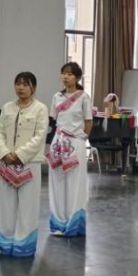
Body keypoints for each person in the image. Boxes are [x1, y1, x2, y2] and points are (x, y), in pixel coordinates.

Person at [0, 72, 48, 257]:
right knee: (6, 205)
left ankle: (24, 245)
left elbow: (40, 136)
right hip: (7, 163)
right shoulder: (7, 107)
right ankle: (6, 242)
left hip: (29, 163)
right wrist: (4, 153)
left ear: (33, 87)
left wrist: (19, 155)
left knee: (28, 206)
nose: (20, 87)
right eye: (18, 84)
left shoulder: (40, 108)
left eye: (25, 84)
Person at [48, 62, 93, 237]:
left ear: (77, 77)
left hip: (76, 142)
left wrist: (82, 138)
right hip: (59, 142)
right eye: (63, 73)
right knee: (57, 181)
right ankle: (58, 222)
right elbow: (54, 120)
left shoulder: (84, 97)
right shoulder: (56, 97)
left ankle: (73, 224)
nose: (65, 77)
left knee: (75, 183)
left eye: (69, 74)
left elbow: (88, 122)